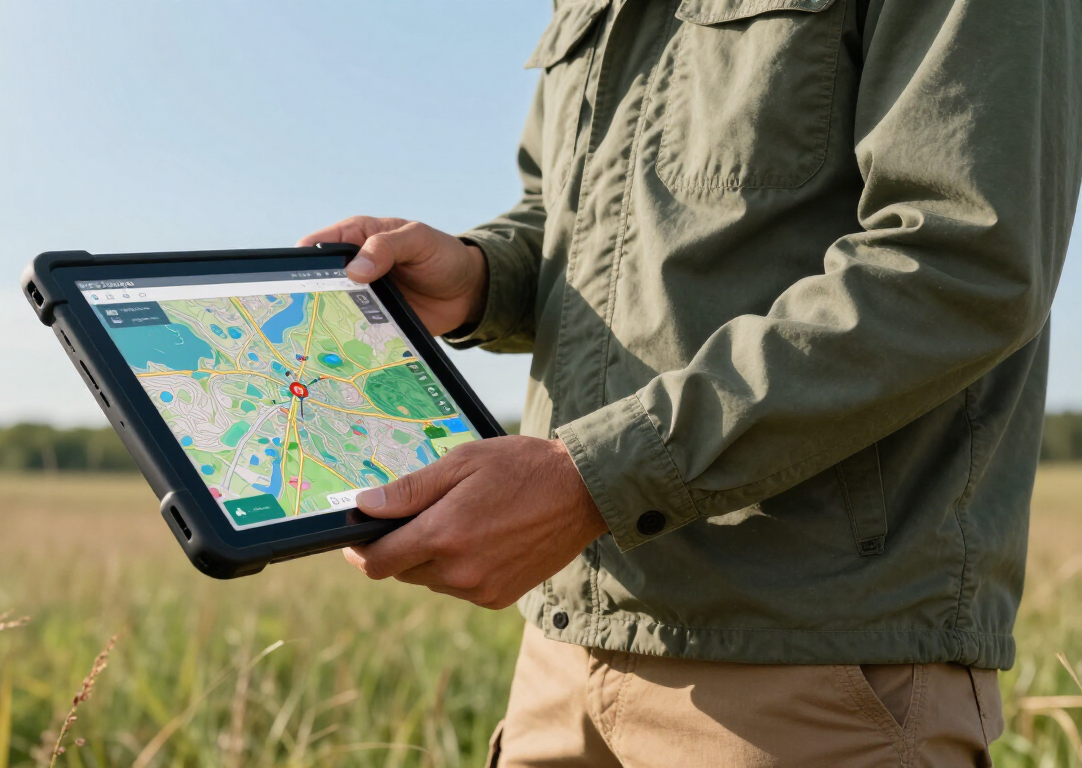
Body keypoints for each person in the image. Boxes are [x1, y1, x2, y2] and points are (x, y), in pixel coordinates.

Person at [300, 0, 1080, 764]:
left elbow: (960, 262)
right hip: (562, 657)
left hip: (816, 667)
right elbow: (569, 220)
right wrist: (479, 276)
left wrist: (590, 480)